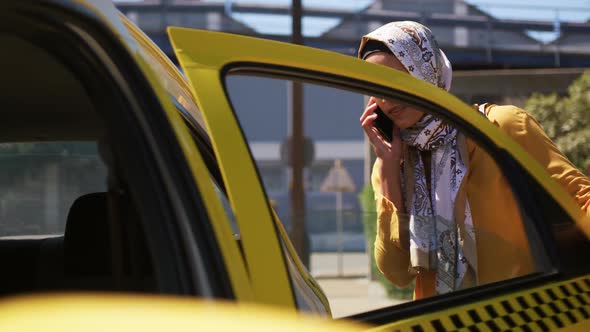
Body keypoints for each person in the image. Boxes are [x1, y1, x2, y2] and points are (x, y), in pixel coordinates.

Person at [357, 21, 590, 300]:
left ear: (425, 72)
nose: (384, 97)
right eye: (375, 86)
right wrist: (388, 171)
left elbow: (582, 202)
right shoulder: (392, 163)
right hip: (447, 319)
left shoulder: (500, 128)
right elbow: (396, 272)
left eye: (394, 80)